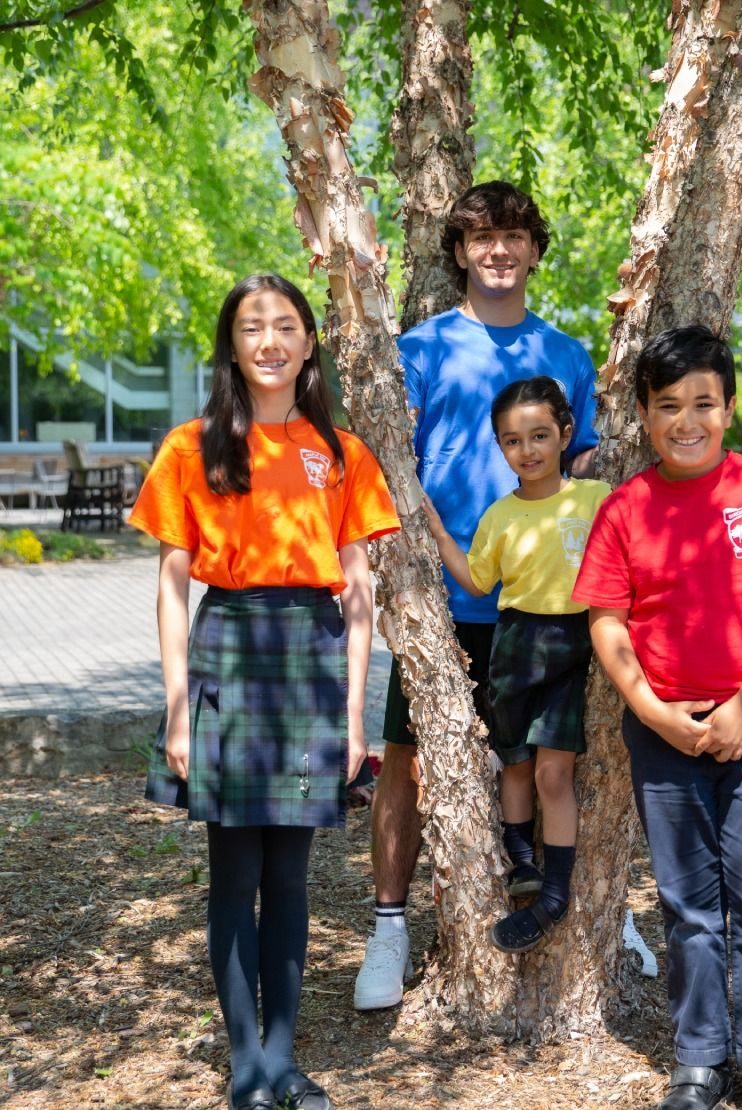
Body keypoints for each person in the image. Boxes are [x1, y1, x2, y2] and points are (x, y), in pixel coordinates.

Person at [129, 274, 400, 1110]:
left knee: (290, 877)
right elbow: (171, 587)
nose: (270, 341)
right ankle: (245, 1066)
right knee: (233, 872)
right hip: (228, 651)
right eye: (252, 327)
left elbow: (360, 592)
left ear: (309, 343)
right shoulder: (191, 447)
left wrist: (354, 713)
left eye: (286, 325)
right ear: (232, 344)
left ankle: (284, 1060)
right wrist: (179, 708)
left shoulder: (342, 452)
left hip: (313, 658)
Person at [572, 326, 742, 1110]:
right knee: (689, 905)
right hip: (665, 730)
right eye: (668, 406)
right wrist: (654, 714)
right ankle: (699, 1059)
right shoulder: (625, 510)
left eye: (703, 403)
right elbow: (607, 623)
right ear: (644, 415)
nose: (686, 421)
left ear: (727, 408)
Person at [353, 180, 601, 1009]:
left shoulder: (567, 355)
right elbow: (389, 460)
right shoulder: (420, 349)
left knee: (561, 761)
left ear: (533, 251)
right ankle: (390, 927)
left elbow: (587, 475)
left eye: (514, 236)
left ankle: (598, 912)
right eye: (482, 238)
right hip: (446, 605)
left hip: (549, 611)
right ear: (459, 252)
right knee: (408, 760)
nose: (499, 250)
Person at [423, 375, 611, 951]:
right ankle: (522, 860)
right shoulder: (499, 516)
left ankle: (555, 893)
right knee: (516, 764)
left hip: (572, 647)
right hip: (513, 645)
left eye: (539, 436)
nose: (527, 450)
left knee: (554, 774)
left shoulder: (595, 498)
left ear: (565, 434)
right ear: (500, 446)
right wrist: (436, 531)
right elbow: (478, 580)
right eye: (512, 440)